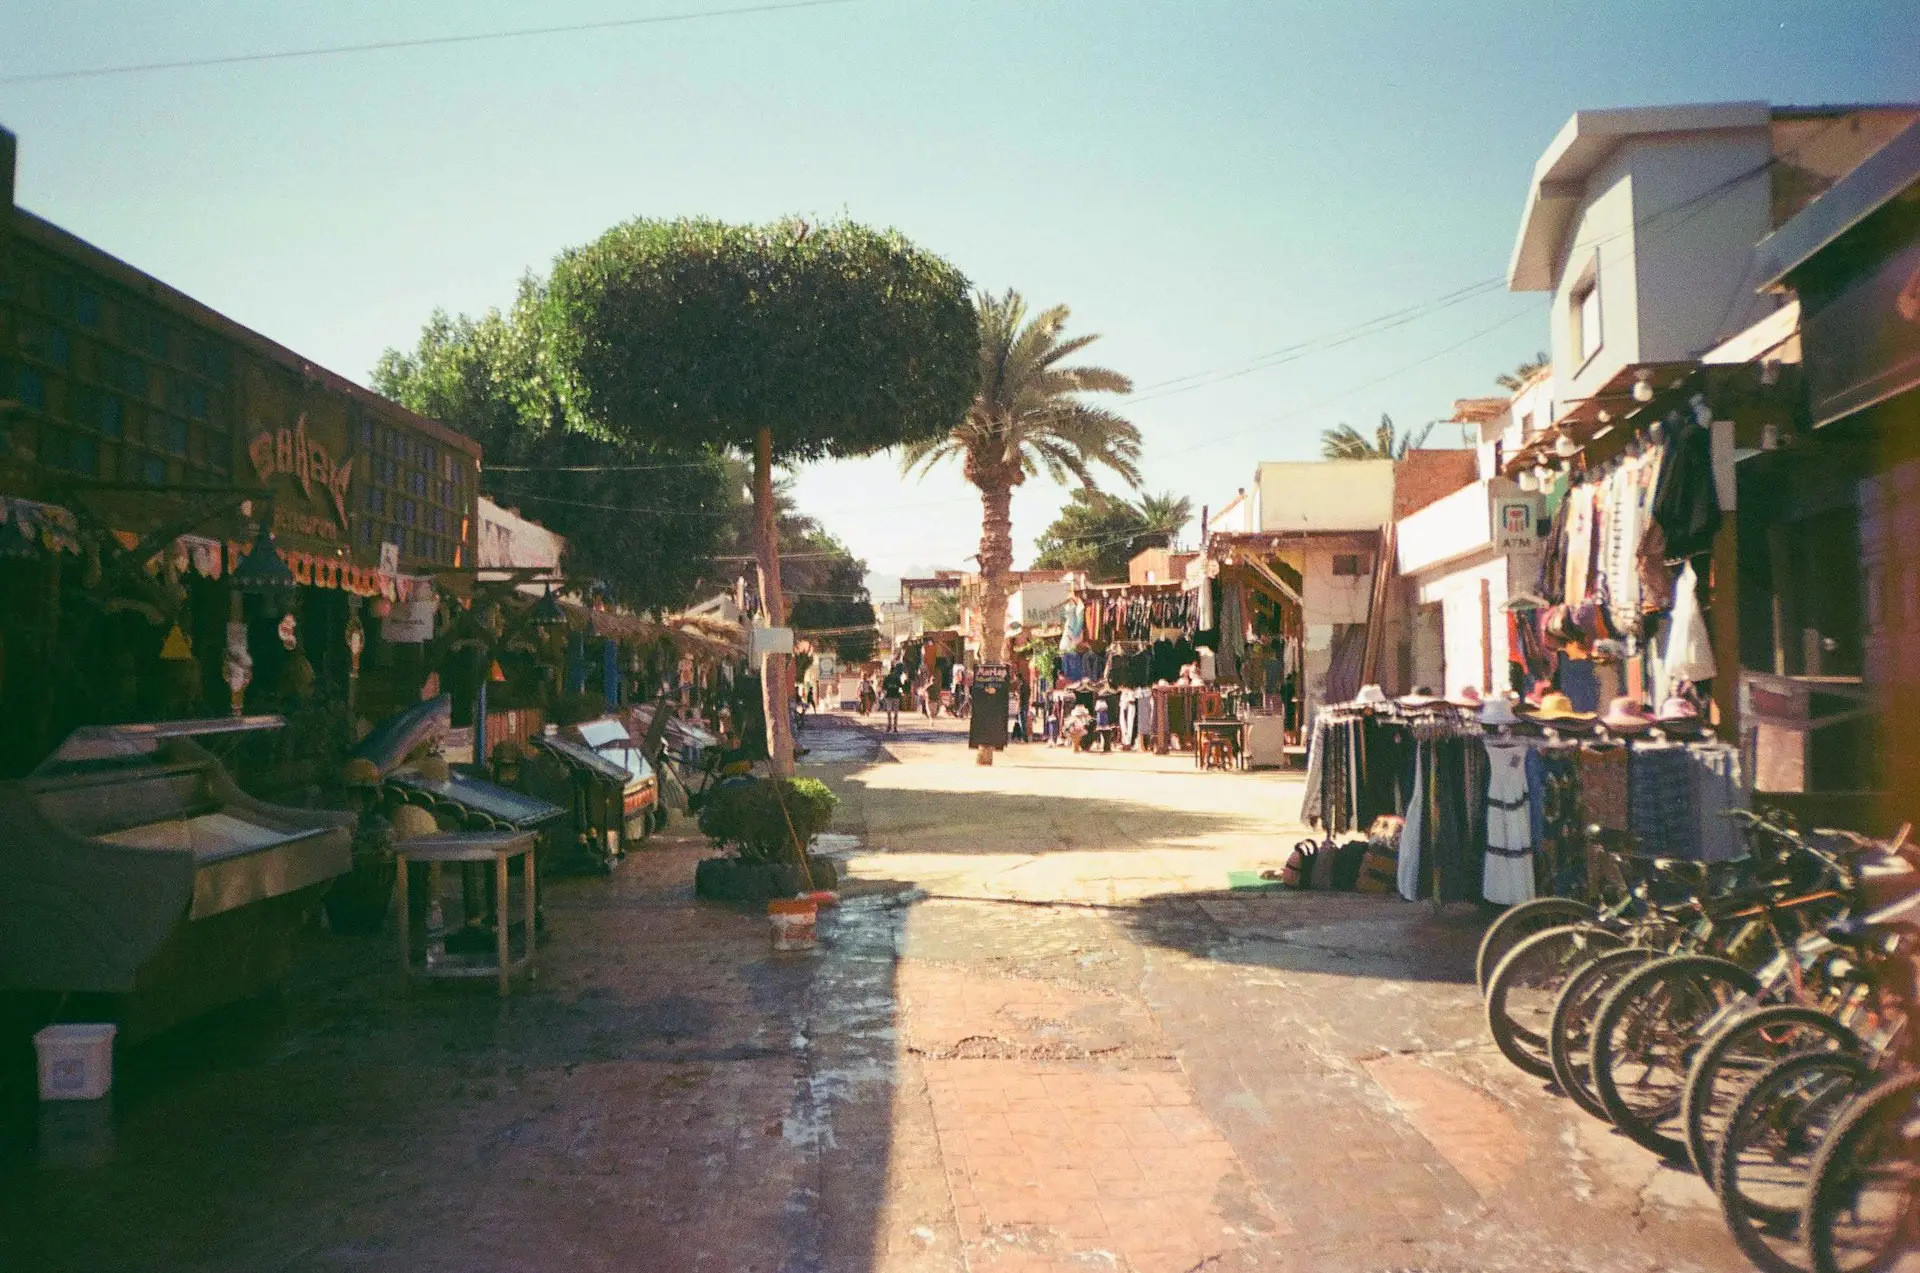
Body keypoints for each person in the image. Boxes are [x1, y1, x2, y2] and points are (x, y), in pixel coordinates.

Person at [881, 662, 907, 733]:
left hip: (891, 696)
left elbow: (884, 688)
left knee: (891, 712)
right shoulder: (892, 678)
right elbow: (901, 686)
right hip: (894, 696)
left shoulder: (889, 678)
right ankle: (892, 727)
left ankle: (892, 727)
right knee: (893, 712)